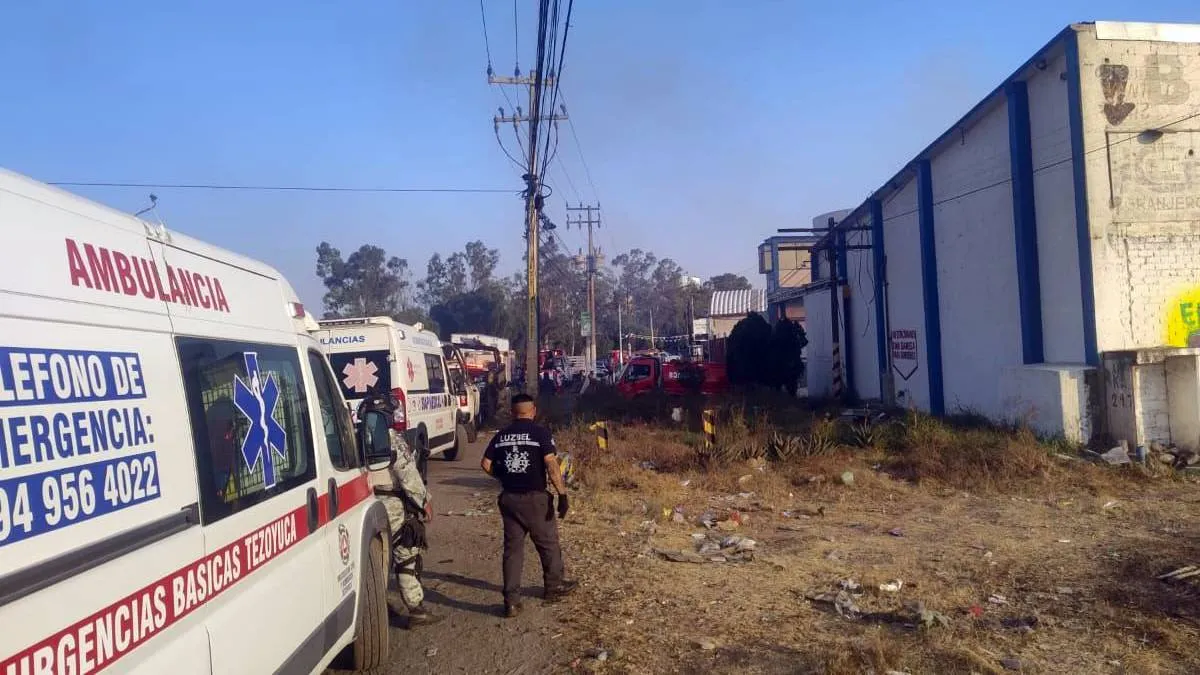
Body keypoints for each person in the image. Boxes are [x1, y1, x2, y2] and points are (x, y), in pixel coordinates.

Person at [481, 393, 578, 617]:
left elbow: (485, 463)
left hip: (509, 499)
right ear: (533, 410)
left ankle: (511, 601)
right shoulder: (540, 433)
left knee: (513, 551)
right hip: (534, 499)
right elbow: (552, 465)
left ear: (513, 413)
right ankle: (554, 587)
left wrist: (504, 476)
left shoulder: (501, 436)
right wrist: (562, 494)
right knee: (548, 544)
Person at [359, 388, 441, 626]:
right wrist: (424, 502)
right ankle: (416, 609)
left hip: (367, 503)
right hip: (392, 503)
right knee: (406, 553)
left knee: (375, 559)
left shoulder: (357, 437)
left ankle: (377, 605)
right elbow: (408, 476)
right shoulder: (392, 439)